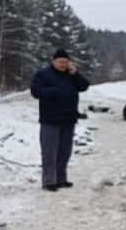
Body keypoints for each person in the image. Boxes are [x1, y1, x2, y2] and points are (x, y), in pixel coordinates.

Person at [30, 49, 90, 192]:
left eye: (65, 62)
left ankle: (61, 179)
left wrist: (75, 74)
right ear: (54, 61)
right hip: (50, 120)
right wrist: (53, 92)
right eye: (60, 62)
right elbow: (35, 91)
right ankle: (49, 181)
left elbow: (84, 86)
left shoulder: (71, 74)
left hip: (69, 119)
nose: (63, 64)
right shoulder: (43, 74)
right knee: (49, 152)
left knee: (64, 152)